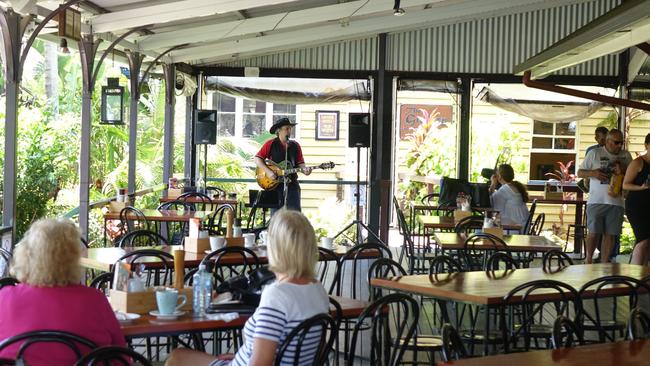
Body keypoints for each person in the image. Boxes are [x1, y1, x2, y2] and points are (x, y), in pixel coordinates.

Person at [165, 209, 329, 366]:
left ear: (275, 247)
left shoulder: (278, 295)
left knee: (177, 357)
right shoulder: (318, 289)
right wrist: (242, 355)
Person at [0, 218, 126, 365]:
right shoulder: (94, 300)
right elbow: (122, 357)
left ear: (26, 255)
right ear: (74, 258)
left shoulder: (5, 297)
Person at [578, 129, 632, 264]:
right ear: (608, 141)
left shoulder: (626, 155)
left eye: (621, 143)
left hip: (617, 202)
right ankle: (588, 260)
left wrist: (623, 170)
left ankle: (604, 262)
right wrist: (593, 173)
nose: (620, 145)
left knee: (610, 234)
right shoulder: (594, 153)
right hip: (596, 200)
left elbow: (633, 176)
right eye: (616, 142)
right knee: (594, 232)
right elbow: (579, 172)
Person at [254, 117, 311, 211]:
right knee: (276, 215)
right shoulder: (270, 144)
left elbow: (301, 163)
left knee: (294, 214)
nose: (289, 131)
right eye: (286, 129)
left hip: (292, 184)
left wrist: (305, 170)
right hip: (275, 185)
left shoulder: (295, 146)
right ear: (278, 130)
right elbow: (257, 159)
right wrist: (268, 171)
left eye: (290, 128)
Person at [623, 133, 650, 265]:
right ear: (646, 145)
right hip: (637, 206)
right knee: (643, 238)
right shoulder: (638, 162)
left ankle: (643, 275)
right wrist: (642, 187)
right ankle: (634, 275)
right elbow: (625, 184)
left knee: (648, 242)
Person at [489, 164, 530, 231]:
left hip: (515, 230)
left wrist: (493, 184)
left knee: (483, 227)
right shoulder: (515, 186)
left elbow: (494, 208)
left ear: (499, 177)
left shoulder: (504, 189)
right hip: (524, 227)